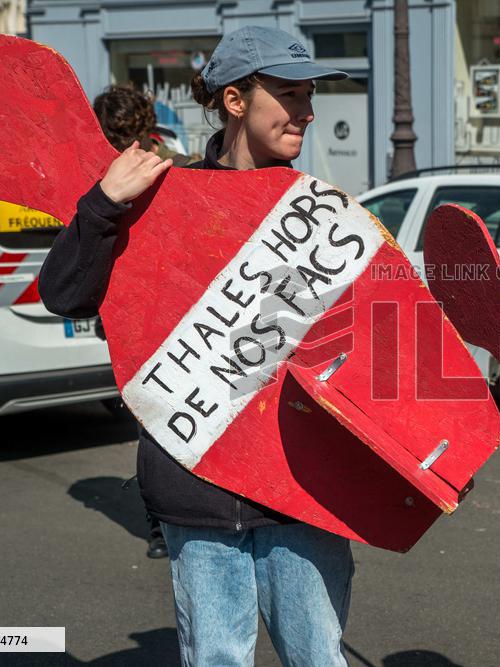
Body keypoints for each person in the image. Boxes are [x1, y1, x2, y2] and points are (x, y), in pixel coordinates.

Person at [39, 26, 353, 666]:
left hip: (302, 491)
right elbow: (64, 293)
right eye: (290, 94)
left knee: (318, 658)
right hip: (197, 491)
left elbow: (360, 351)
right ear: (235, 101)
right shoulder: (161, 198)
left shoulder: (318, 214)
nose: (307, 111)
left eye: (309, 95)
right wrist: (103, 204)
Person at [90, 83, 193, 560]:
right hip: (181, 314)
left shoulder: (105, 179)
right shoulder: (182, 165)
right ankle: (170, 521)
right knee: (177, 418)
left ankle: (161, 527)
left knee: (152, 423)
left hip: (145, 318)